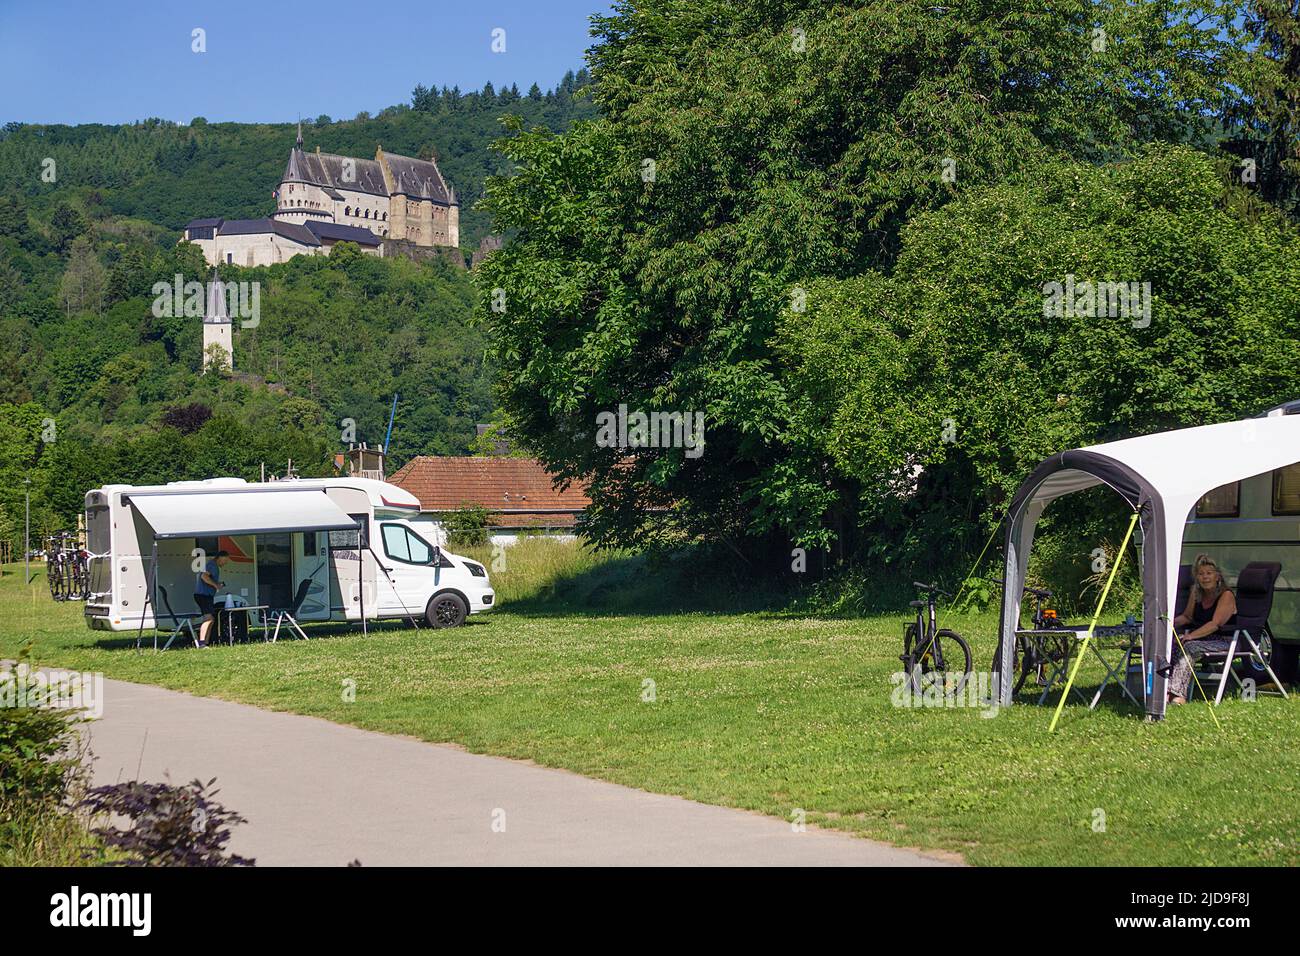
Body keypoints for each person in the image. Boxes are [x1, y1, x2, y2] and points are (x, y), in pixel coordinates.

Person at [1167, 554, 1237, 705]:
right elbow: (1187, 617)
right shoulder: (1196, 592)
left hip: (1225, 641)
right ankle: (1164, 690)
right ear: (1197, 577)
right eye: (1201, 574)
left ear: (1217, 576)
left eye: (1209, 573)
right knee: (1172, 642)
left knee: (1189, 646)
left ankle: (1177, 694)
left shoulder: (1226, 595)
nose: (1205, 577)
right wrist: (1166, 623)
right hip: (1202, 639)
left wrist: (1191, 636)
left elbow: (1215, 624)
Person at [194, 550, 230, 649]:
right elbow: (204, 576)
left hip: (205, 595)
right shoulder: (212, 565)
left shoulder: (212, 565)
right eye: (225, 560)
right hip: (203, 595)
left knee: (211, 619)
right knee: (208, 618)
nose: (225, 563)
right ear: (220, 558)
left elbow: (208, 578)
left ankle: (206, 642)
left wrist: (217, 584)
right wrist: (216, 585)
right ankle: (201, 644)